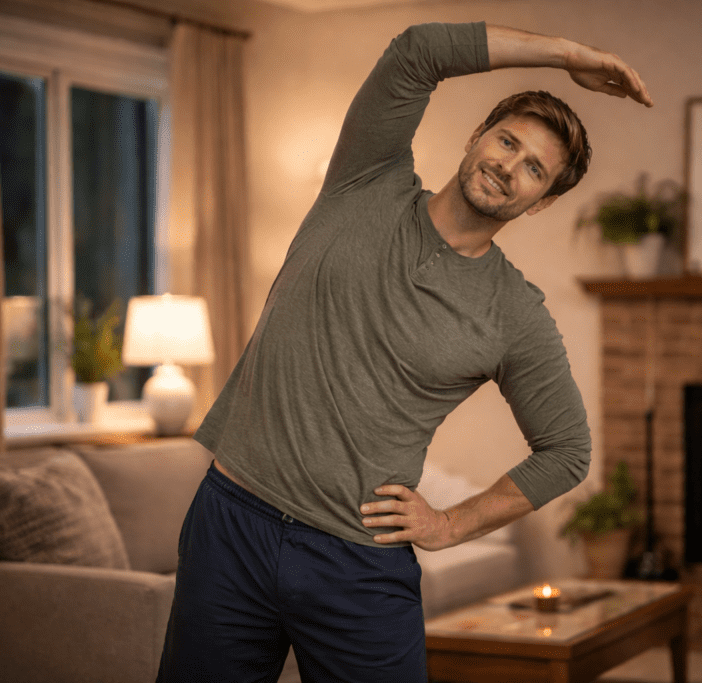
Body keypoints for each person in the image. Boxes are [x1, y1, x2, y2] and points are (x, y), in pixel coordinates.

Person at [157, 20, 652, 683]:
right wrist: (569, 55)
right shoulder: (367, 179)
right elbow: (418, 52)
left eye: (535, 168)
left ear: (543, 201)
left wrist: (451, 523)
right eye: (507, 141)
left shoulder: (514, 313)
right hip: (230, 523)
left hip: (355, 562)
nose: (509, 166)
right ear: (477, 136)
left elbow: (567, 451)